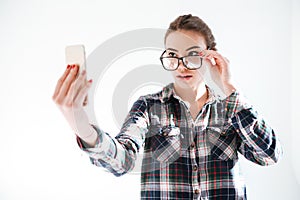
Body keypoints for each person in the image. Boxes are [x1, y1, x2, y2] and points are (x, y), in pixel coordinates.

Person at [52, 14, 283, 199]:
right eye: (173, 55)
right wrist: (81, 126)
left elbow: (270, 155)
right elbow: (122, 161)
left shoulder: (231, 110)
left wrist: (229, 87)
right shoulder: (148, 107)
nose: (182, 66)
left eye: (192, 55)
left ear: (211, 57)